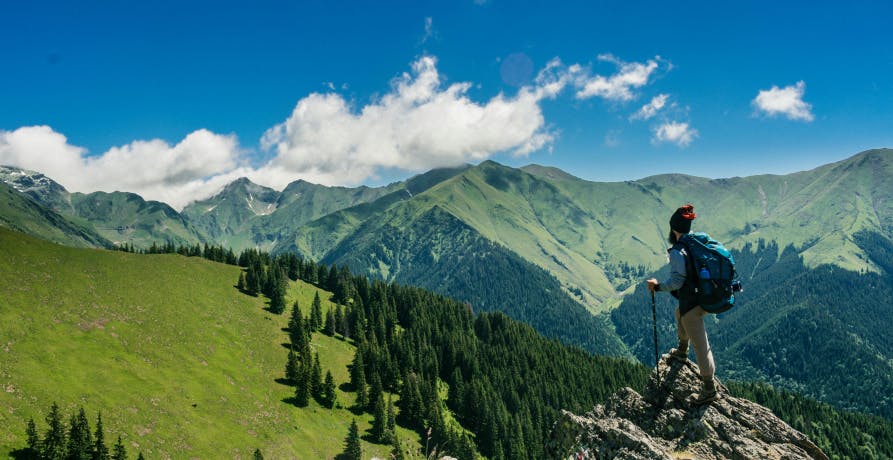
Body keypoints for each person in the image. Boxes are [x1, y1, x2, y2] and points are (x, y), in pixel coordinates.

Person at [646, 204, 719, 405]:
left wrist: (657, 286)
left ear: (674, 229)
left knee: (701, 344)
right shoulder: (697, 241)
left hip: (693, 303)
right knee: (680, 314)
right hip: (704, 295)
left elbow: (677, 281)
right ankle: (682, 349)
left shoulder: (679, 251)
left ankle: (709, 389)